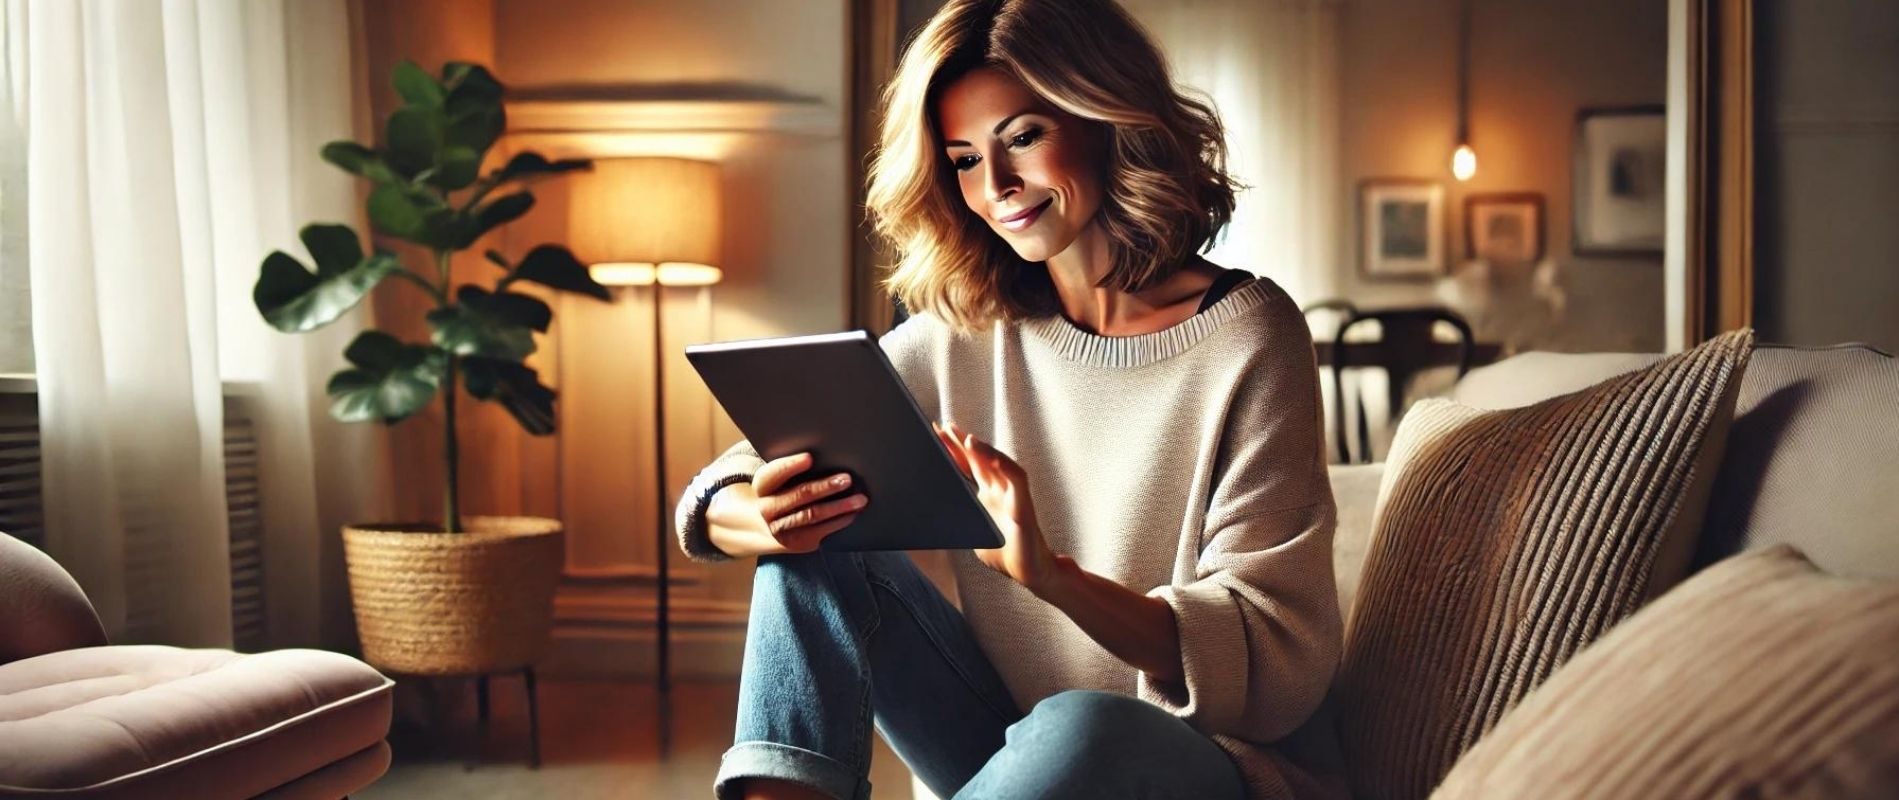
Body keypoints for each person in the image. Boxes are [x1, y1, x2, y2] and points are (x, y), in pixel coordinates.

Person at [673, 1, 1344, 798]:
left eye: (1022, 138)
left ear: (1104, 118)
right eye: (961, 160)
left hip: (1191, 763)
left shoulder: (1248, 336)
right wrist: (761, 512)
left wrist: (1054, 578)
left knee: (1079, 721)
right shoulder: (964, 333)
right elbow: (733, 476)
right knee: (810, 557)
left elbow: (1273, 669)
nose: (994, 188)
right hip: (1002, 757)